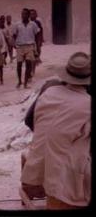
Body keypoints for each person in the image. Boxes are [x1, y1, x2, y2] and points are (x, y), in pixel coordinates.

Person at [20, 52, 91, 209]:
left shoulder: (49, 91)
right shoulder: (87, 104)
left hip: (36, 169)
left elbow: (29, 121)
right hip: (64, 180)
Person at [12, 8, 40, 89]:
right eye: (22, 14)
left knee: (28, 64)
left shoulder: (33, 24)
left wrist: (37, 46)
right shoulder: (17, 24)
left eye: (25, 14)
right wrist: (13, 43)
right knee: (19, 65)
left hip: (30, 46)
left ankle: (25, 82)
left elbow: (37, 35)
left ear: (28, 15)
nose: (23, 15)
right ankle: (19, 81)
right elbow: (14, 35)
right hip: (20, 46)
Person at [30, 9, 44, 78]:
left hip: (36, 42)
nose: (33, 15)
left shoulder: (38, 23)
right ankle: (31, 70)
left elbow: (40, 32)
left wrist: (40, 41)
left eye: (34, 14)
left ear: (36, 15)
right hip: (29, 42)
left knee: (35, 57)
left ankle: (33, 70)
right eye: (31, 14)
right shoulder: (27, 23)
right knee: (30, 58)